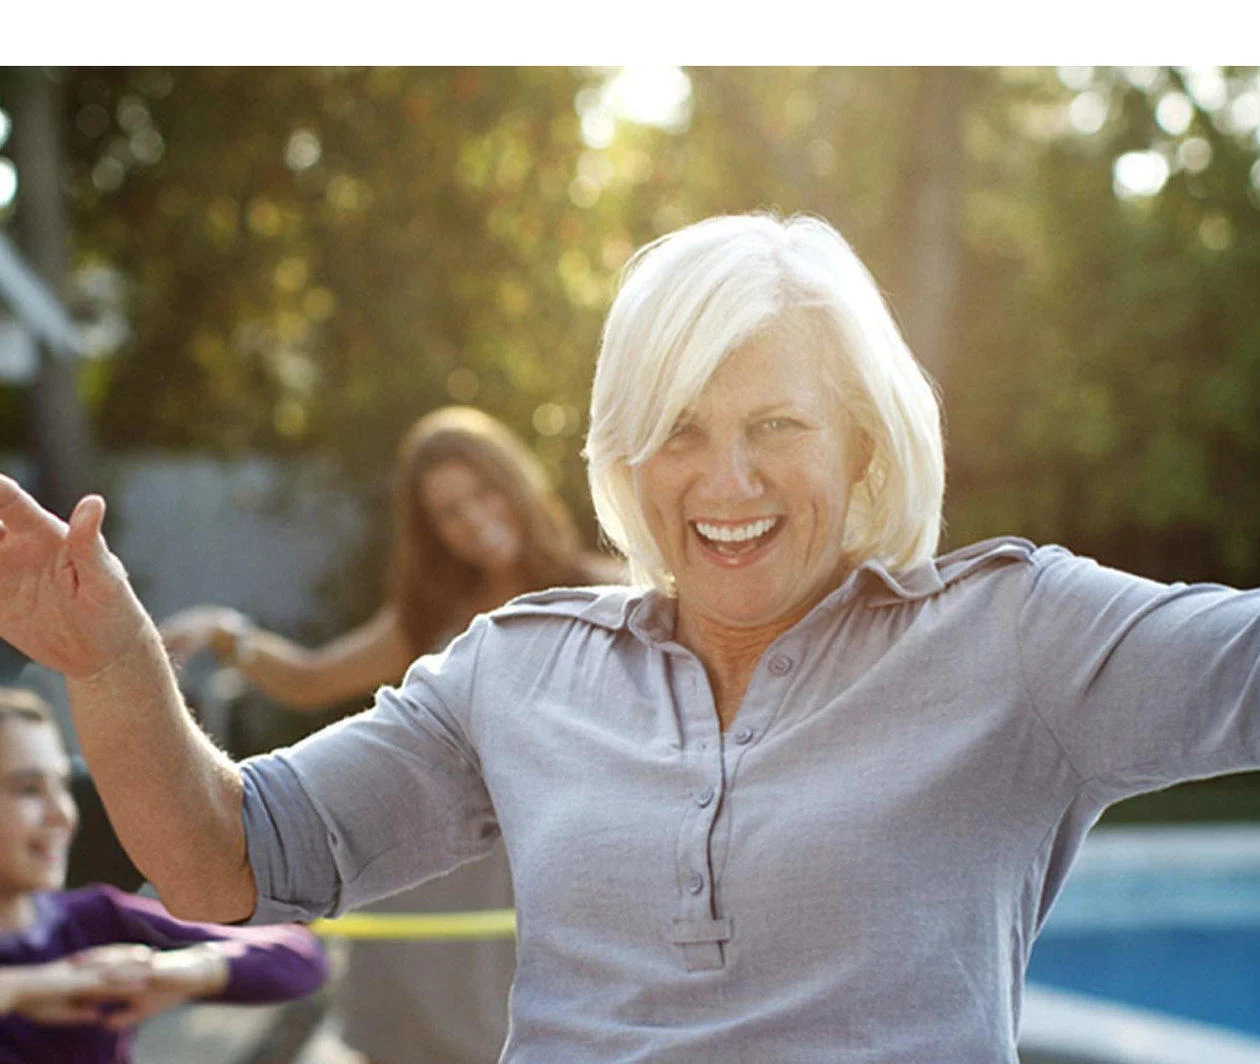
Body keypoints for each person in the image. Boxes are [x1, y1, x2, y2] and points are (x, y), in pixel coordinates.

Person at [1, 211, 1259, 1064]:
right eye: (679, 426)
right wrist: (111, 661)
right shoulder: (519, 663)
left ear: (863, 440)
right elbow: (226, 862)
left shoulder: (1016, 632)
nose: (725, 479)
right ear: (620, 451)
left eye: (776, 423)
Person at [158, 405, 617, 1064]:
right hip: (427, 880)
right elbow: (311, 678)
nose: (473, 520)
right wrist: (224, 633)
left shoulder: (610, 595)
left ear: (515, 483)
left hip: (538, 888)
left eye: (482, 493)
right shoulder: (431, 618)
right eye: (449, 513)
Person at [0, 687, 328, 1064]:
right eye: (28, 789)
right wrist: (37, 986)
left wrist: (170, 970)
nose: (60, 814)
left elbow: (299, 955)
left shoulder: (94, 918)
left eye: (61, 785)